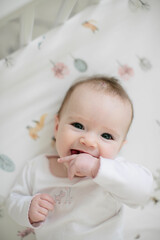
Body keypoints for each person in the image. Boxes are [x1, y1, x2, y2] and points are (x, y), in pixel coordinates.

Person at [7, 76, 153, 240]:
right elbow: (13, 202)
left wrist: (96, 168)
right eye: (78, 125)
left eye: (106, 135)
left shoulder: (114, 173)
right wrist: (28, 209)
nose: (89, 141)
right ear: (57, 127)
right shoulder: (37, 167)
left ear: (119, 147)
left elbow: (144, 191)